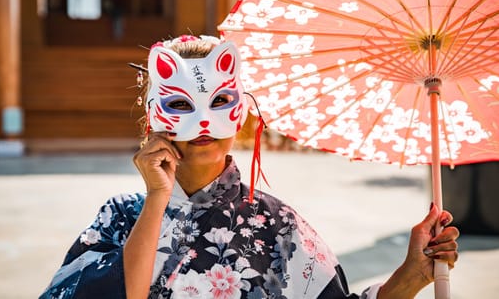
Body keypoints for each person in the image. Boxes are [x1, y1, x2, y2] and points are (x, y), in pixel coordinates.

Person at [40, 35, 459, 299]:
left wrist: (410, 277)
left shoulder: (278, 226)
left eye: (219, 103)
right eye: (181, 105)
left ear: (240, 115)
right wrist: (156, 200)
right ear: (154, 118)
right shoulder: (120, 217)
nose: (203, 123)